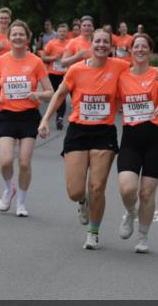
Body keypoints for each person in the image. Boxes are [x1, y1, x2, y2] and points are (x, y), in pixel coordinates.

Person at [38, 28, 129, 250]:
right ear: (91, 44)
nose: (101, 45)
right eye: (97, 41)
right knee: (75, 191)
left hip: (104, 133)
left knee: (97, 187)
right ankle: (82, 201)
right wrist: (45, 120)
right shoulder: (76, 69)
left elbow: (143, 70)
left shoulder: (120, 66)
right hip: (78, 131)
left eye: (105, 42)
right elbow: (60, 94)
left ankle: (93, 233)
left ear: (111, 46)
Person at [116, 33, 158, 253]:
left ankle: (143, 236)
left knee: (147, 193)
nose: (140, 50)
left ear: (150, 51)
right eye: (136, 46)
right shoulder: (122, 75)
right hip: (130, 140)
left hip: (155, 140)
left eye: (144, 47)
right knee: (127, 189)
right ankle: (130, 211)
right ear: (130, 50)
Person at [0, 20, 53, 217]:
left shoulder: (36, 62)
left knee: (24, 162)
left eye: (21, 34)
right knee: (6, 161)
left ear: (28, 38)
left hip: (28, 116)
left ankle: (21, 203)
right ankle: (9, 189)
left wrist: (37, 95)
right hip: (7, 115)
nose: (18, 37)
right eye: (14, 34)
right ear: (9, 38)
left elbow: (50, 92)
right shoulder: (1, 61)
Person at [41, 22, 69, 130]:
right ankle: (51, 116)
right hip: (53, 73)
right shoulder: (51, 43)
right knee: (54, 96)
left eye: (64, 31)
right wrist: (54, 58)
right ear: (57, 32)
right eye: (60, 31)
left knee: (62, 95)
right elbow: (43, 58)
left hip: (65, 74)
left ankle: (60, 118)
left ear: (67, 33)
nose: (62, 33)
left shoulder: (70, 43)